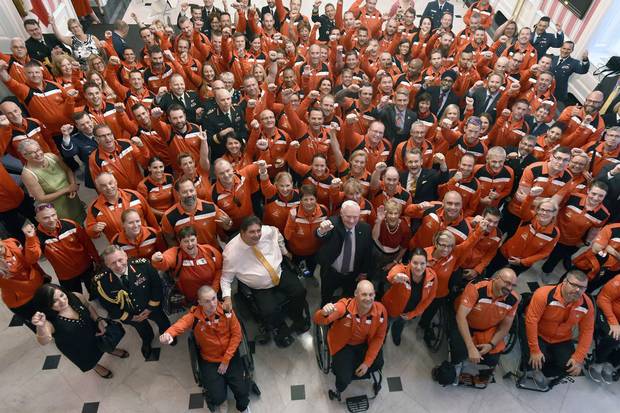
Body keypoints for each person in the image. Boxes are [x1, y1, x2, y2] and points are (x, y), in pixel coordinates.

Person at [221, 216, 310, 348]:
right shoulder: (231, 252)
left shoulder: (268, 231)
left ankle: (296, 316)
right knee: (269, 311)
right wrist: (227, 298)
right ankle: (279, 328)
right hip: (259, 286)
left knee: (299, 291)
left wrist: (284, 251)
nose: (257, 235)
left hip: (279, 273)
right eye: (252, 232)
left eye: (258, 231)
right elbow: (226, 278)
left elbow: (277, 233)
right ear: (242, 232)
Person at [160, 285, 250, 413]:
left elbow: (237, 335)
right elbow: (180, 324)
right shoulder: (194, 317)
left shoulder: (226, 310)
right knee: (216, 397)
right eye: (207, 301)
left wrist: (226, 360)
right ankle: (221, 398)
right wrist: (168, 334)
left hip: (229, 355)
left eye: (214, 299)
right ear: (200, 302)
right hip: (209, 359)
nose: (212, 304)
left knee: (242, 391)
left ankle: (243, 408)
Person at [440, 268, 520, 385]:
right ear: (496, 278)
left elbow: (505, 327)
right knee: (461, 351)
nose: (509, 288)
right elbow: (461, 317)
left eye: (513, 285)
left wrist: (491, 344)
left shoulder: (513, 300)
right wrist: (471, 347)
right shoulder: (476, 288)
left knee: (493, 358)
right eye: (507, 283)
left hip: (486, 329)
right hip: (465, 322)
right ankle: (456, 364)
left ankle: (480, 373)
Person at [31, 284, 128, 379]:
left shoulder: (75, 296)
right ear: (47, 305)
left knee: (104, 343)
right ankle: (95, 366)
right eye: (54, 301)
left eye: (61, 295)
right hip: (77, 346)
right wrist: (41, 326)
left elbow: (88, 306)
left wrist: (98, 320)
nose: (62, 301)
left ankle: (110, 349)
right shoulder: (49, 321)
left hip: (93, 331)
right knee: (89, 359)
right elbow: (44, 340)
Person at [92, 245, 173, 360]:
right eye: (113, 263)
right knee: (143, 330)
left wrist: (150, 308)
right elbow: (109, 306)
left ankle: (167, 333)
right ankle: (147, 340)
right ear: (106, 264)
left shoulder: (143, 265)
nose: (118, 266)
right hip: (130, 314)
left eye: (120, 260)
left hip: (152, 307)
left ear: (125, 255)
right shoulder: (101, 282)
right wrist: (130, 317)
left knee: (163, 322)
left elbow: (156, 287)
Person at [314, 280, 388, 399]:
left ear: (375, 294)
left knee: (378, 363)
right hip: (343, 345)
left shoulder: (381, 312)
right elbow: (319, 320)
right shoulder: (344, 307)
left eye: (371, 294)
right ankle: (340, 387)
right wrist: (324, 313)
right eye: (364, 294)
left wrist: (366, 363)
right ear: (355, 294)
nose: (368, 298)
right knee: (343, 378)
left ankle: (358, 367)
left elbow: (379, 338)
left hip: (365, 343)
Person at [524, 270, 594, 388]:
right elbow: (531, 321)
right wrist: (534, 350)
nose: (578, 290)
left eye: (582, 287)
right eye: (574, 285)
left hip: (562, 338)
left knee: (569, 367)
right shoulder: (544, 294)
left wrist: (579, 356)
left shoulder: (587, 305)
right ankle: (534, 369)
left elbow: (587, 331)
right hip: (539, 333)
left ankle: (545, 373)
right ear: (565, 282)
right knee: (533, 361)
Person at [24, 204, 99, 294]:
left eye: (53, 215)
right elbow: (32, 259)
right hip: (67, 277)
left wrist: (98, 260)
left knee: (97, 293)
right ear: (37, 219)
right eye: (45, 218)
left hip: (87, 268)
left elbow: (88, 243)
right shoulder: (35, 237)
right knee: (75, 301)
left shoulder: (70, 224)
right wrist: (30, 238)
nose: (51, 220)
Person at [316, 200, 373, 306]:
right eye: (348, 216)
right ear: (341, 214)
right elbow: (320, 235)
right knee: (326, 297)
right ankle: (324, 316)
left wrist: (363, 273)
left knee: (348, 298)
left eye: (355, 217)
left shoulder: (365, 229)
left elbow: (367, 253)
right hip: (331, 273)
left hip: (352, 275)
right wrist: (321, 231)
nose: (351, 221)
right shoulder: (332, 223)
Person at [18, 139, 85, 223]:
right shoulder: (28, 175)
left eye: (38, 150)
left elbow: (67, 170)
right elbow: (41, 198)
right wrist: (67, 189)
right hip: (58, 208)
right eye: (32, 153)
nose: (38, 154)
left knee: (83, 221)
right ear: (25, 156)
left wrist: (72, 185)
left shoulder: (51, 156)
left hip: (73, 198)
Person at [152, 226, 223, 303]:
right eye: (186, 241)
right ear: (180, 242)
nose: (190, 244)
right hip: (191, 300)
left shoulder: (210, 251)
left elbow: (219, 269)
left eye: (192, 240)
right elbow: (164, 263)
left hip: (214, 296)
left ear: (197, 239)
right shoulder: (175, 254)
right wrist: (158, 260)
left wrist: (214, 290)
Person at [382, 248, 437, 346]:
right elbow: (392, 274)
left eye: (422, 263)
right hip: (391, 308)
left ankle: (396, 333)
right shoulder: (402, 271)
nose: (418, 267)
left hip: (408, 312)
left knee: (400, 324)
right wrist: (395, 277)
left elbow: (430, 298)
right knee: (384, 325)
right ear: (409, 262)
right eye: (415, 263)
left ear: (426, 263)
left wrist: (414, 313)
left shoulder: (432, 277)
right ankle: (382, 337)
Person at [0, 237, 45, 330]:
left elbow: (32, 260)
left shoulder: (13, 243)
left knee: (52, 315)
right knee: (38, 325)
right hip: (20, 301)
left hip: (37, 286)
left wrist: (31, 238)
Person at [589, 274, 620, 382]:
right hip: (604, 310)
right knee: (614, 336)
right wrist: (613, 322)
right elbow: (603, 299)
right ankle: (598, 361)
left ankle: (611, 362)